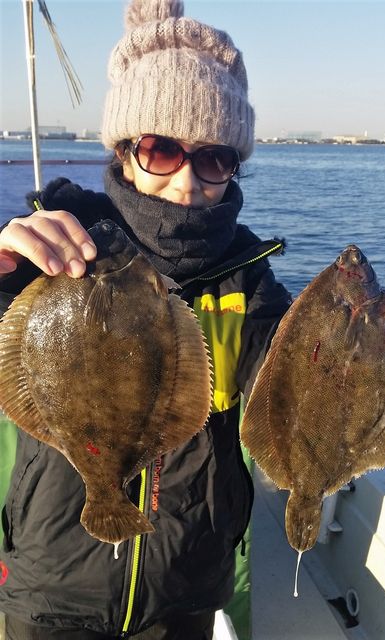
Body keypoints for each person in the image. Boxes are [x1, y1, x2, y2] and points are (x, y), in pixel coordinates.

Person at [0, 1, 291, 638]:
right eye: (162, 150)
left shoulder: (250, 283)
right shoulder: (54, 249)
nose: (187, 182)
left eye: (214, 158)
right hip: (52, 587)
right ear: (125, 151)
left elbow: (290, 390)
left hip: (185, 588)